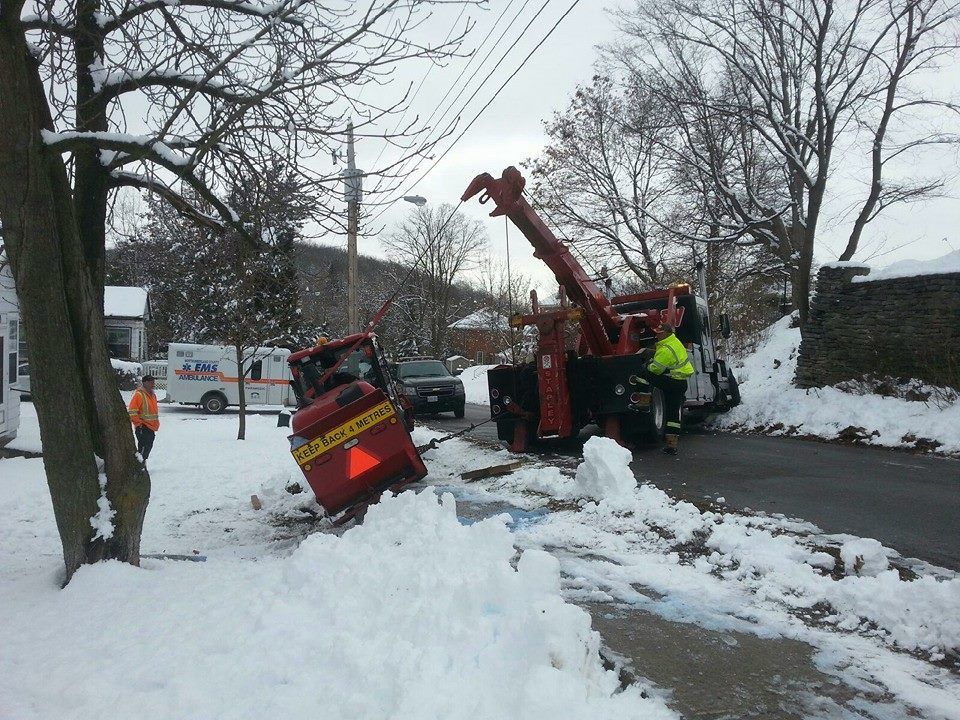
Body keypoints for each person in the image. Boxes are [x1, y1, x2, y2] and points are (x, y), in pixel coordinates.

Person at [642, 321, 694, 455]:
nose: (656, 336)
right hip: (680, 383)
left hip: (672, 383)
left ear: (665, 333)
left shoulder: (666, 349)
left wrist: (647, 364)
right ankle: (672, 445)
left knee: (645, 373)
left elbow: (656, 370)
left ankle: (642, 398)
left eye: (659, 333)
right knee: (673, 413)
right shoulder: (675, 343)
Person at [128, 375, 160, 464]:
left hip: (151, 427)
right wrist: (139, 424)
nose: (153, 384)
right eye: (151, 382)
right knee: (143, 447)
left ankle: (142, 462)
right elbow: (132, 411)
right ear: (145, 383)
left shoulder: (153, 395)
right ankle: (139, 464)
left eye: (153, 382)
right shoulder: (139, 395)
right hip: (143, 427)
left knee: (148, 446)